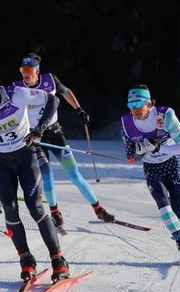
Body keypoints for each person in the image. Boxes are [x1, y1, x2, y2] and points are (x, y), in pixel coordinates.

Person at [0, 63, 70, 283]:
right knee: (9, 209)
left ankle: (58, 259)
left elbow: (52, 100)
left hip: (26, 156)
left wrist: (39, 129)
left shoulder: (17, 95)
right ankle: (26, 259)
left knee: (35, 206)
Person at [11, 53, 114, 228]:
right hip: (35, 137)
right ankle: (54, 211)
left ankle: (98, 209)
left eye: (28, 71)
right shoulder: (17, 88)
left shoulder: (50, 80)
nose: (25, 75)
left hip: (54, 131)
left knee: (74, 173)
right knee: (47, 175)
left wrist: (79, 110)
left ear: (37, 71)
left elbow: (65, 92)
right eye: (22, 71)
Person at [120, 84, 180, 264]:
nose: (134, 109)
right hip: (152, 169)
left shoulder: (165, 115)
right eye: (130, 105)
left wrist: (158, 146)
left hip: (171, 165)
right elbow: (130, 156)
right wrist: (137, 154)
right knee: (163, 205)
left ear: (149, 104)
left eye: (138, 104)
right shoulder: (126, 123)